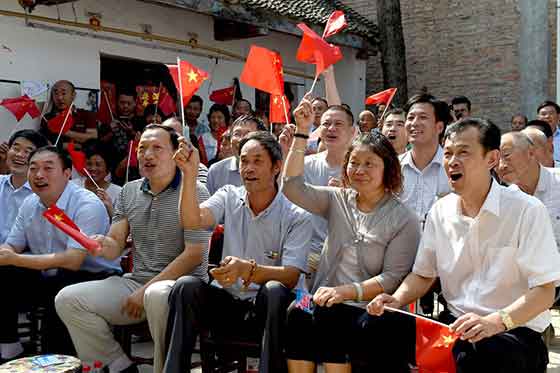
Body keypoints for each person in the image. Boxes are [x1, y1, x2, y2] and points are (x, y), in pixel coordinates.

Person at [368, 118, 560, 373]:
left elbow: (545, 291)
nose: (452, 161)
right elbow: (423, 274)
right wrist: (396, 299)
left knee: (477, 354)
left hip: (512, 330)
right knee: (373, 327)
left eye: (463, 153)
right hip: (453, 327)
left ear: (491, 159)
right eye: (447, 153)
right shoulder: (441, 210)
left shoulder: (526, 210)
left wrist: (495, 322)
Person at [55, 124, 212, 373]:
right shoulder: (129, 191)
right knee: (68, 299)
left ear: (176, 153)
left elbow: (194, 255)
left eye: (156, 148)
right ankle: (117, 365)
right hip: (136, 282)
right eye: (142, 148)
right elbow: (115, 243)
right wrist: (100, 244)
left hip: (182, 289)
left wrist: (146, 291)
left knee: (157, 295)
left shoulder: (195, 191)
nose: (147, 155)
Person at [282, 96, 421, 373]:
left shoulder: (403, 217)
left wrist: (345, 292)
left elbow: (392, 277)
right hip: (324, 299)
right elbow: (292, 186)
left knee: (332, 316)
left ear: (387, 169)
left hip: (368, 309)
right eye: (354, 162)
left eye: (369, 164)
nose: (359, 170)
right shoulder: (337, 199)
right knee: (297, 308)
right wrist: (301, 133)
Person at [164, 131, 312, 373]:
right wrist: (189, 176)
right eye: (244, 161)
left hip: (277, 308)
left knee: (275, 290)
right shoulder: (228, 195)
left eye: (257, 161)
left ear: (276, 167)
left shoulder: (297, 214)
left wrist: (247, 270)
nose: (248, 168)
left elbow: (292, 276)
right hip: (231, 301)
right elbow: (192, 221)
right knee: (185, 287)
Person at [0, 145, 119, 360]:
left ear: (67, 174)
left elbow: (73, 261)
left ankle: (58, 360)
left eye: (48, 168)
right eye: (33, 168)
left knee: (60, 286)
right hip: (49, 274)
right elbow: (12, 245)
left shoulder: (86, 203)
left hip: (92, 275)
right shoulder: (30, 203)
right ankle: (9, 347)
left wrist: (16, 258)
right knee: (5, 272)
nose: (39, 175)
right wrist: (7, 255)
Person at [279, 103, 355, 275]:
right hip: (309, 252)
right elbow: (286, 190)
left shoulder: (361, 172)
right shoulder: (305, 164)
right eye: (326, 124)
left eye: (338, 124)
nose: (331, 129)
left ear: (352, 132)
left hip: (348, 255)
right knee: (302, 299)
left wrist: (351, 194)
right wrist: (287, 152)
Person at [497, 131, 560, 247]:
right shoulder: (505, 200)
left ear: (530, 152)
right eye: (495, 160)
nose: (501, 166)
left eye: (506, 156)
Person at [399, 93, 451, 224]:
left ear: (439, 127)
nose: (414, 123)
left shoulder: (454, 167)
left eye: (423, 117)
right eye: (410, 118)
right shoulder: (392, 166)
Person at [0, 130, 48, 244]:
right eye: (16, 149)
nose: (19, 155)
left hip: (23, 257)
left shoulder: (44, 194)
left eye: (28, 151)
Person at [206, 115, 266, 195]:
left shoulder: (269, 170)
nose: (241, 139)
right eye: (237, 134)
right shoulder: (216, 171)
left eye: (248, 134)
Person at [72, 141, 122, 218]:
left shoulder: (118, 192)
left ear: (108, 168)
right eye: (89, 164)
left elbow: (121, 226)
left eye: (98, 165)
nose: (93, 168)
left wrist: (110, 208)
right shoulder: (73, 186)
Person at [41, 80, 97, 146]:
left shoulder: (86, 115)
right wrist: (67, 145)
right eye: (56, 94)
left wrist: (64, 132)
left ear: (73, 95)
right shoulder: (47, 118)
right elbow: (46, 143)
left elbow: (93, 137)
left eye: (63, 93)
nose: (59, 98)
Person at [161, 116, 208, 184]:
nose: (168, 141)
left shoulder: (199, 170)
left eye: (173, 137)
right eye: (163, 136)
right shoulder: (154, 166)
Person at [98, 89, 138, 162]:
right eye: (122, 103)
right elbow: (99, 143)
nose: (125, 106)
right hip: (111, 162)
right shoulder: (109, 120)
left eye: (129, 103)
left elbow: (146, 142)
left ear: (135, 103)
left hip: (133, 162)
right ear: (117, 102)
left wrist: (131, 132)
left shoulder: (140, 121)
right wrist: (111, 131)